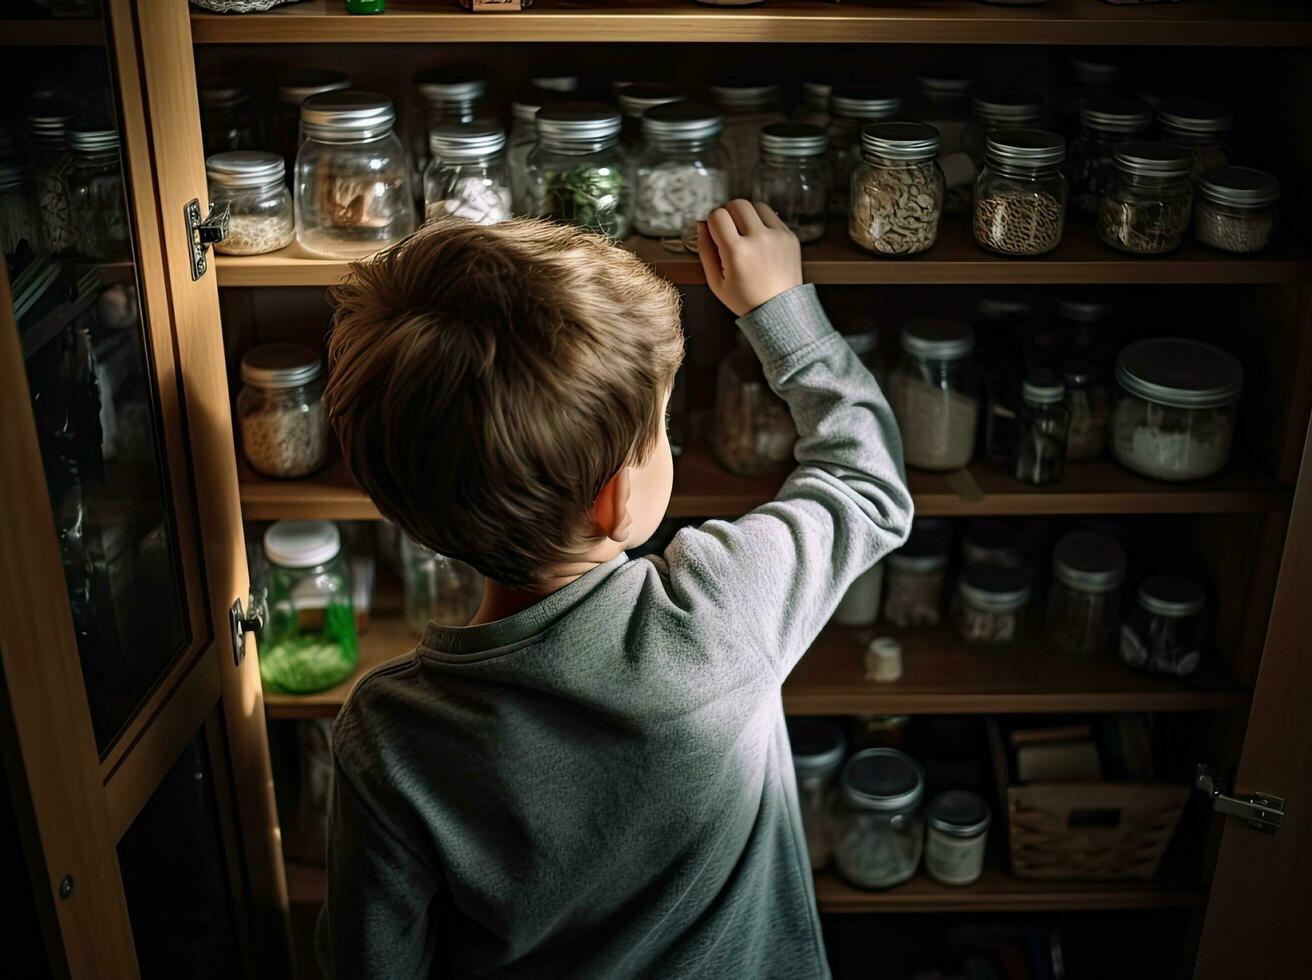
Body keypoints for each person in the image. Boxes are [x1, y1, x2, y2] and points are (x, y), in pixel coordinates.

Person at [318, 201, 913, 979]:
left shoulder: (391, 731)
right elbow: (862, 481)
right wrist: (779, 308)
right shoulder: (719, 609)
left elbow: (373, 965)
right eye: (661, 429)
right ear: (616, 501)